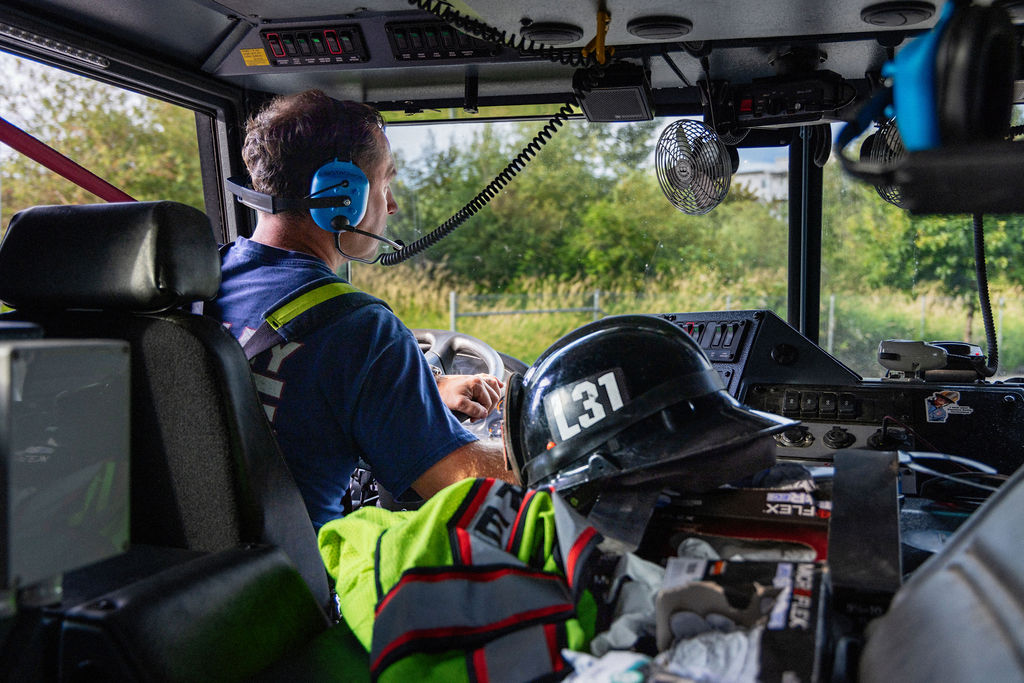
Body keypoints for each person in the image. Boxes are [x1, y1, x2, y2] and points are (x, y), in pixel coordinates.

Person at [205, 89, 516, 530]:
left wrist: (425, 392)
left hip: (187, 571)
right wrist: (541, 445)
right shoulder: (359, 326)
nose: (391, 205)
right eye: (384, 183)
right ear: (340, 195)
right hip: (301, 587)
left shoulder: (199, 284)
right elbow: (464, 487)